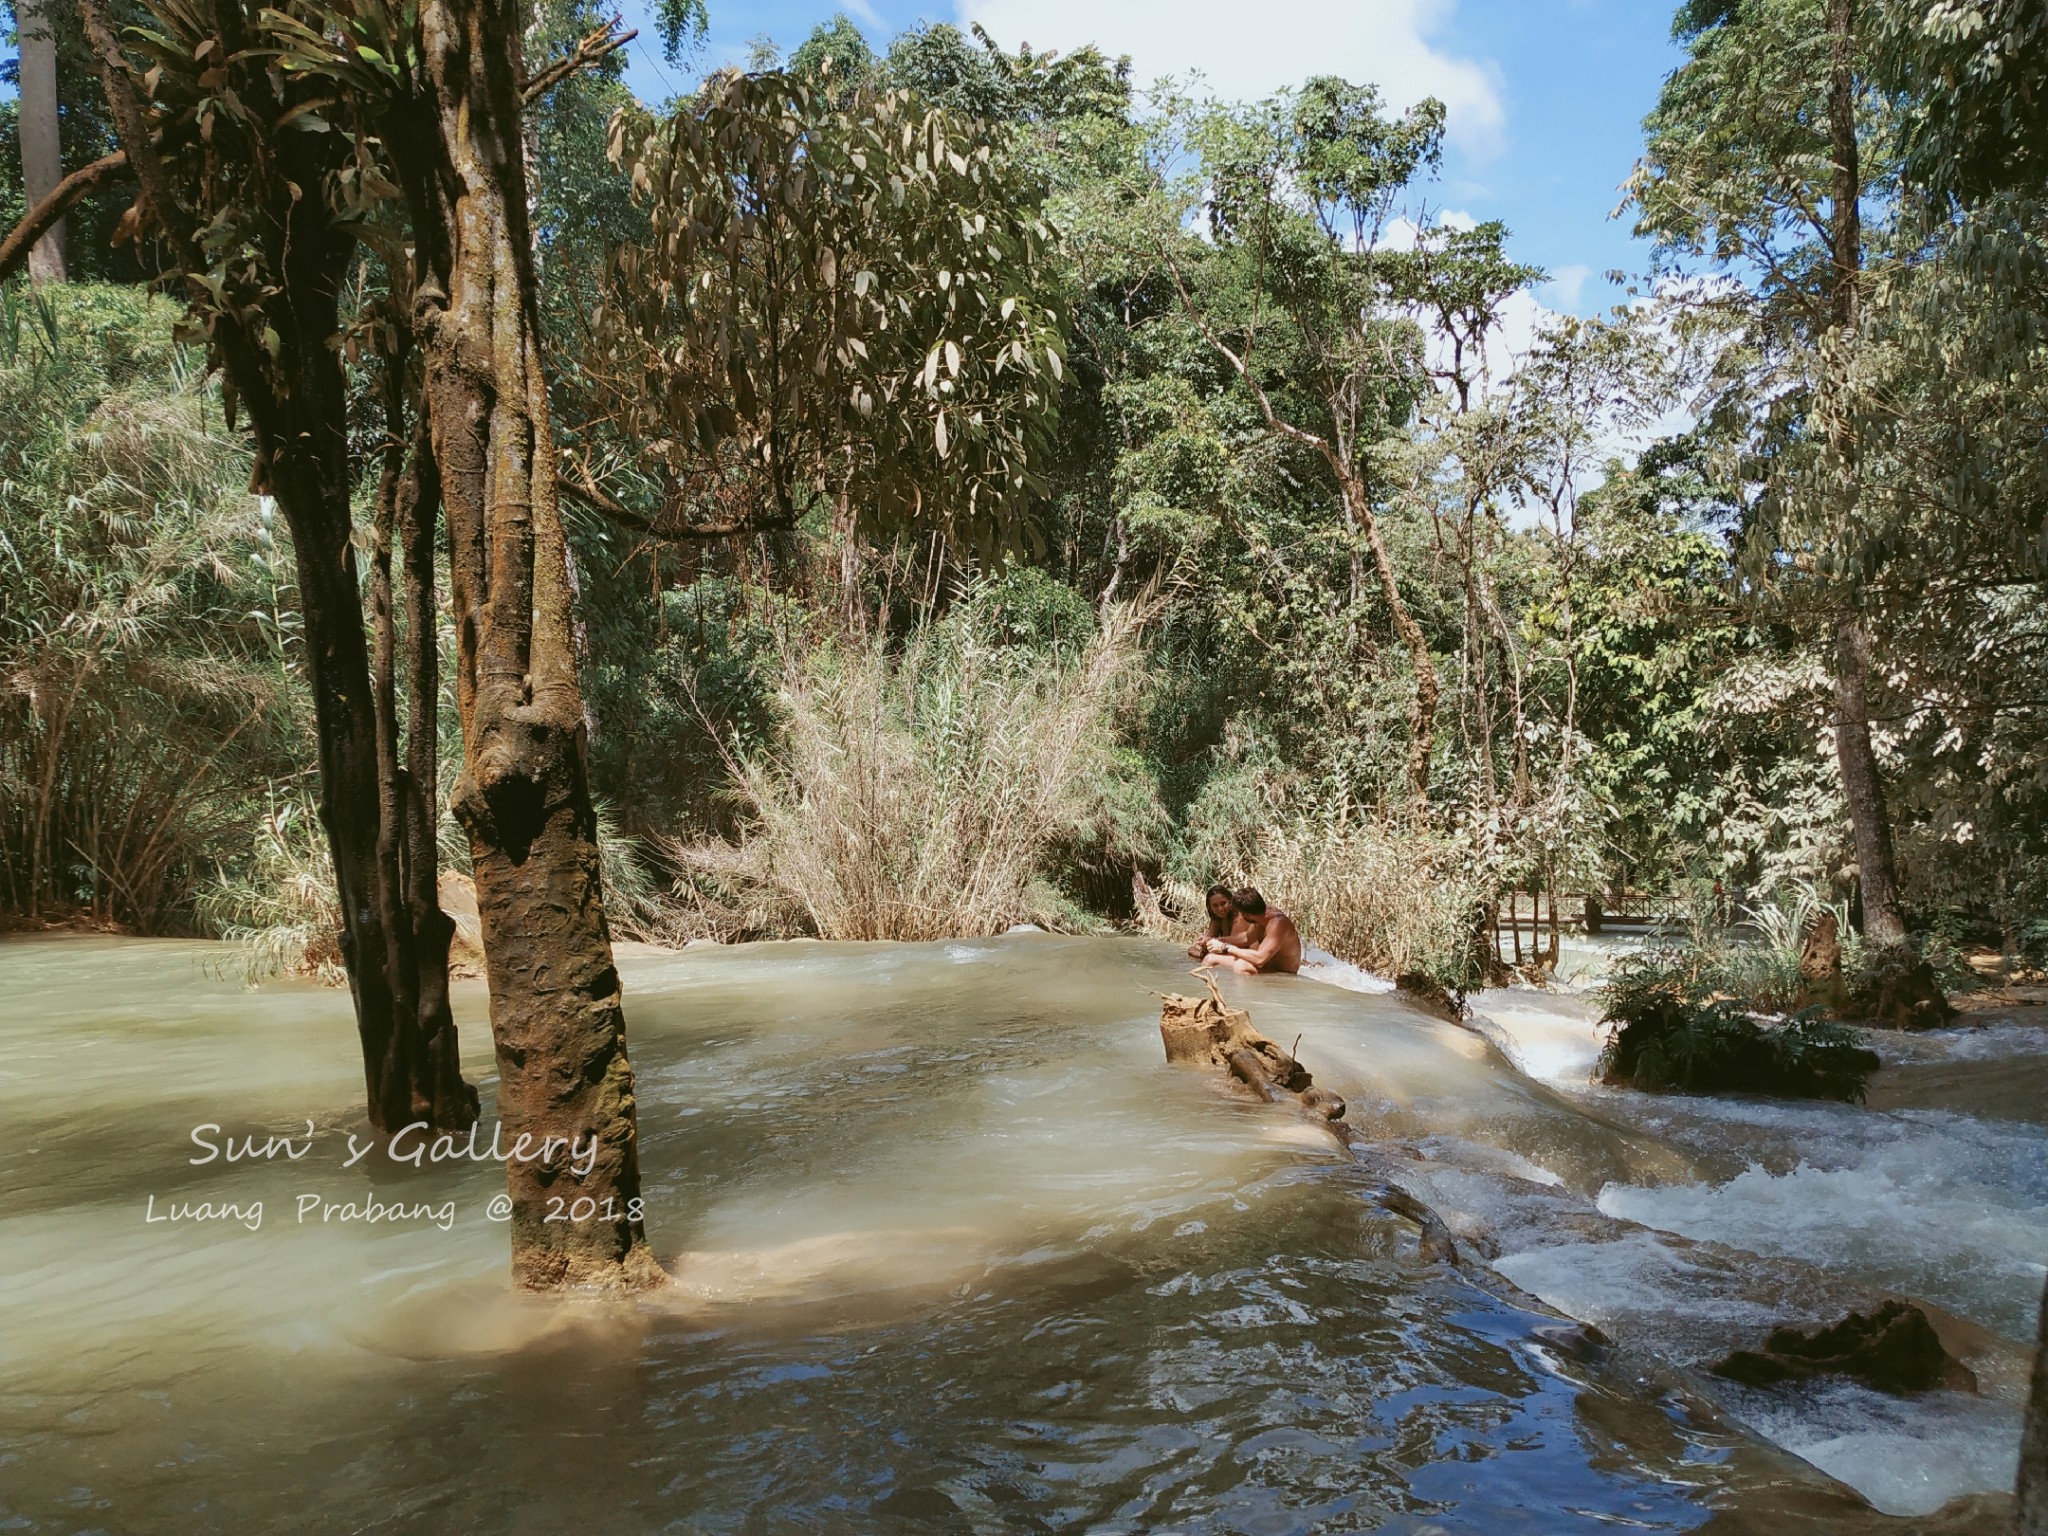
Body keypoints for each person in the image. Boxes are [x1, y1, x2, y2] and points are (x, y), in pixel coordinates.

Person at [1200, 887, 1302, 975]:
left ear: (1247, 915)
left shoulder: (1277, 924)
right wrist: (1217, 940)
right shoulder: (1260, 916)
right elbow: (1246, 938)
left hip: (1284, 974)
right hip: (1267, 968)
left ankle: (1245, 998)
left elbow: (1260, 959)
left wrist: (1224, 947)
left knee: (1241, 966)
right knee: (1210, 959)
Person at [1188, 884, 1246, 960]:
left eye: (1223, 903)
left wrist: (1202, 954)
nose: (1220, 908)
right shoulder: (1217, 919)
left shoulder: (1238, 918)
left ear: (1230, 901)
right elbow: (1208, 947)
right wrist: (1204, 942)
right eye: (1215, 905)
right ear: (1210, 907)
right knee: (1191, 950)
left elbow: (1233, 949)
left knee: (1203, 956)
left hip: (1240, 956)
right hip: (1227, 953)